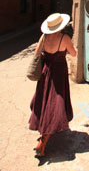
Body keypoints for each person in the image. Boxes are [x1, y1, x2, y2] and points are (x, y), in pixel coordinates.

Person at [29, 13, 77, 157]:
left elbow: (37, 53)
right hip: (59, 73)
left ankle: (42, 131)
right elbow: (73, 54)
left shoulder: (43, 37)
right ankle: (43, 143)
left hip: (46, 72)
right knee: (55, 104)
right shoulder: (64, 38)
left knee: (44, 100)